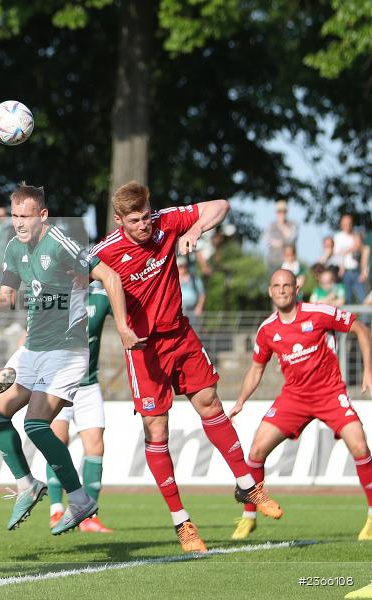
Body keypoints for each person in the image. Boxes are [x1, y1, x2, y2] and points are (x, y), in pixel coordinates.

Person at [90, 181, 281, 553]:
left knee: (210, 401)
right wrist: (121, 323)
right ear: (119, 221)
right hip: (144, 348)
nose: (145, 225)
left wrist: (194, 229)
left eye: (146, 215)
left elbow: (220, 203)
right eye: (135, 220)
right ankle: (182, 522)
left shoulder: (166, 222)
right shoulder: (107, 250)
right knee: (157, 430)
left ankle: (247, 485)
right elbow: (75, 269)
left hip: (181, 335)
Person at [0, 184, 142, 536]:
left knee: (36, 425)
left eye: (25, 217)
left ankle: (80, 500)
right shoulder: (12, 248)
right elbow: (6, 299)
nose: (18, 223)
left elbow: (110, 277)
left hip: (66, 350)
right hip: (33, 348)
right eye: (14, 216)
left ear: (42, 216)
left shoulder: (63, 243)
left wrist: (125, 328)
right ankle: (27, 484)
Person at [228, 269, 372, 542]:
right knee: (257, 450)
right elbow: (256, 369)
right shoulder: (267, 329)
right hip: (294, 397)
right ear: (270, 291)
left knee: (360, 445)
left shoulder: (318, 313)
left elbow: (360, 328)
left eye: (287, 285)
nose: (282, 290)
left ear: (296, 290)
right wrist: (240, 401)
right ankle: (248, 518)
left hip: (330, 393)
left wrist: (368, 371)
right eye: (276, 286)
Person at [45, 280, 115, 533]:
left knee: (96, 447)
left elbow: (126, 312)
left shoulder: (101, 296)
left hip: (88, 385)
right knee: (57, 441)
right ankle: (56, 511)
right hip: (57, 384)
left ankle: (90, 516)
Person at [262, 200, 299, 275]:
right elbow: (266, 241)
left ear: (286, 212)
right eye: (279, 211)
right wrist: (277, 242)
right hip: (273, 261)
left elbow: (291, 239)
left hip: (289, 262)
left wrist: (282, 226)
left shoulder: (293, 224)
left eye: (283, 211)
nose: (281, 214)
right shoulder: (271, 225)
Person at [334, 214, 364, 303]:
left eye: (350, 223)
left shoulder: (356, 236)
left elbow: (361, 250)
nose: (348, 226)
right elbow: (337, 254)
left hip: (356, 270)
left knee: (362, 299)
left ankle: (364, 317)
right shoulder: (338, 237)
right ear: (341, 224)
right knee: (347, 299)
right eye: (346, 223)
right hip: (344, 272)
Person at [177, 256, 205, 321]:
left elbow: (202, 294)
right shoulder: (173, 280)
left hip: (193, 311)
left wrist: (199, 307)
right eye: (180, 266)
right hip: (178, 311)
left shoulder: (194, 279)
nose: (183, 269)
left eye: (185, 266)